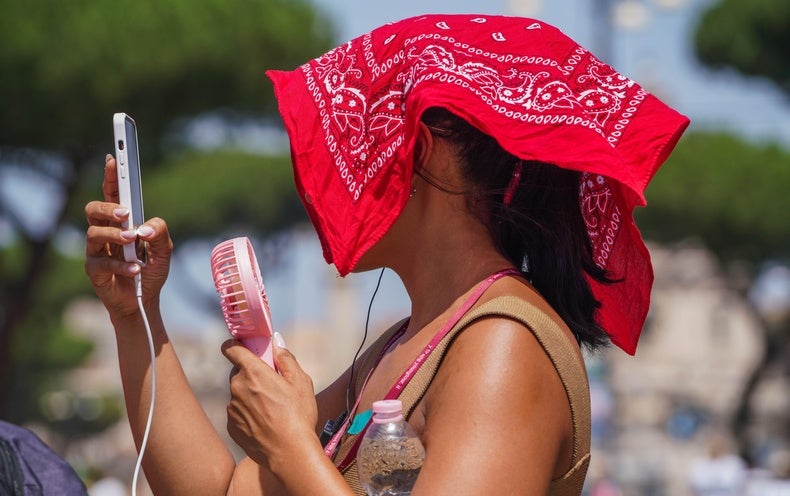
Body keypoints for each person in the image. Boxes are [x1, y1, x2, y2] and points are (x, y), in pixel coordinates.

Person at [84, 14, 688, 495]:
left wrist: (292, 446)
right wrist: (135, 312)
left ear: (420, 152)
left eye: (355, 141)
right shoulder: (410, 341)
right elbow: (220, 492)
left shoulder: (504, 345)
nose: (331, 180)